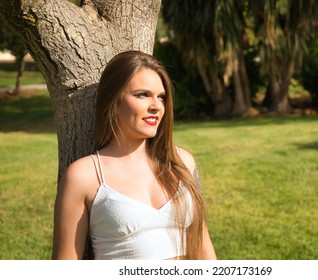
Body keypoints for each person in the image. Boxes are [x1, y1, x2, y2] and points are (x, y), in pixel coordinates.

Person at [52, 50, 217, 260]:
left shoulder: (182, 162)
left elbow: (202, 244)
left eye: (161, 97)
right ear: (114, 100)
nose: (156, 106)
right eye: (142, 94)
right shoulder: (84, 175)